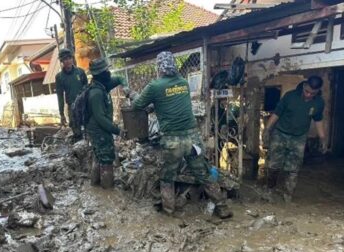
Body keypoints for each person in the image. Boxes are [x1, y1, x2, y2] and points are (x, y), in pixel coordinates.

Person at [131, 51, 232, 219]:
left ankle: (169, 212)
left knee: (167, 176)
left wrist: (132, 94)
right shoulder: (184, 83)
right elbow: (170, 104)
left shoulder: (154, 86)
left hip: (172, 142)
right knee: (204, 174)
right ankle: (222, 207)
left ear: (159, 67)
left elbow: (137, 105)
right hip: (194, 140)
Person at [263, 75, 326, 202]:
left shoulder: (319, 102)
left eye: (312, 93)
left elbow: (318, 120)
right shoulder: (290, 96)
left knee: (294, 168)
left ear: (317, 91)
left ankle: (288, 195)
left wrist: (322, 138)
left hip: (299, 137)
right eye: (307, 91)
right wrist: (267, 129)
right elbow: (277, 112)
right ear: (304, 86)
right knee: (274, 165)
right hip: (280, 134)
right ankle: (269, 190)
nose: (308, 95)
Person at [86, 58, 128, 188]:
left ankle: (95, 186)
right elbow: (101, 119)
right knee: (107, 158)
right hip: (98, 131)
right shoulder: (96, 93)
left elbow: (120, 78)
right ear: (100, 74)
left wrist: (126, 88)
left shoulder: (103, 85)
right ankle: (107, 190)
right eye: (106, 70)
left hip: (97, 129)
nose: (109, 72)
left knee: (98, 156)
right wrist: (118, 130)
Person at [56, 48, 88, 142]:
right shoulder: (59, 77)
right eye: (65, 59)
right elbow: (60, 96)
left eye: (69, 58)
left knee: (88, 127)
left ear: (72, 59)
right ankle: (79, 148)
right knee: (76, 130)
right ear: (62, 61)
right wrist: (61, 114)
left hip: (84, 104)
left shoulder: (80, 72)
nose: (68, 61)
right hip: (72, 106)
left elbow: (87, 88)